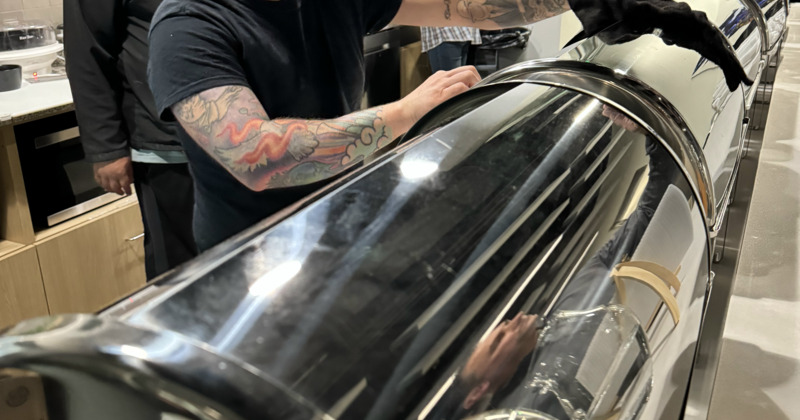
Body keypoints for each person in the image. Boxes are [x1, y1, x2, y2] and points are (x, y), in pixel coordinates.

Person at [146, 0, 573, 251]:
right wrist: (407, 111)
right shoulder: (187, 24)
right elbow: (256, 156)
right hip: (248, 255)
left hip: (338, 225)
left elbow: (467, 7)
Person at [64, 0, 197, 279]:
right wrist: (107, 148)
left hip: (245, 141)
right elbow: (87, 50)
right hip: (167, 146)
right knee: (179, 274)